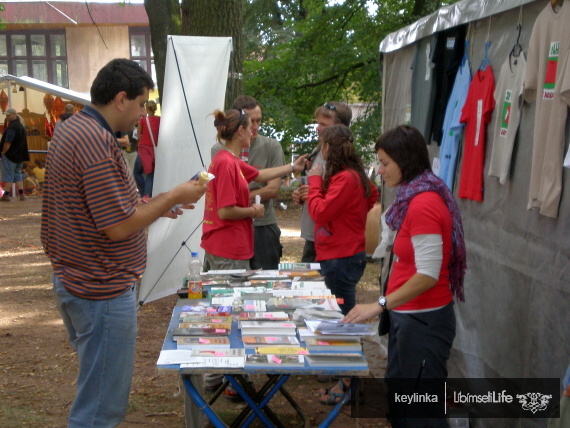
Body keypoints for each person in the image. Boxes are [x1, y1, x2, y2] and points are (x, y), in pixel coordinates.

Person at [40, 58, 207, 427]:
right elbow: (117, 226)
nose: (142, 116)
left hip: (80, 281)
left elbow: (98, 206)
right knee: (99, 408)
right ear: (120, 99)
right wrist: (173, 195)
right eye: (141, 104)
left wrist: (155, 204)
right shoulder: (95, 141)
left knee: (96, 391)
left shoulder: (74, 128)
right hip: (100, 289)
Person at [339, 125, 467, 425]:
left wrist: (379, 304)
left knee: (420, 410)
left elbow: (427, 275)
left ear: (405, 160)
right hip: (409, 317)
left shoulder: (423, 203)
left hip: (424, 322)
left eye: (384, 163)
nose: (380, 171)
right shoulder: (412, 197)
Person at [201, 108, 306, 397]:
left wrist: (292, 168)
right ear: (239, 132)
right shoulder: (225, 163)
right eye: (250, 128)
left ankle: (222, 374)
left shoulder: (230, 160)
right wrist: (254, 210)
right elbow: (225, 210)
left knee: (226, 308)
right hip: (226, 248)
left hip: (229, 246)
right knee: (224, 309)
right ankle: (215, 377)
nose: (253, 132)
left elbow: (260, 174)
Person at [306, 124, 378, 315]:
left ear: (327, 147)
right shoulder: (352, 175)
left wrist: (314, 181)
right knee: (339, 308)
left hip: (340, 257)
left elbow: (319, 213)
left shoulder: (346, 178)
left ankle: (349, 343)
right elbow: (372, 192)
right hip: (343, 255)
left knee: (340, 313)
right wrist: (354, 213)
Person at [210, 95, 286, 269]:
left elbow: (271, 187)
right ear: (239, 128)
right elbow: (224, 207)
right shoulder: (223, 155)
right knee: (234, 284)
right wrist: (244, 207)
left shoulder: (271, 146)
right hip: (233, 230)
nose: (255, 128)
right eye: (252, 122)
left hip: (263, 225)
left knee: (266, 281)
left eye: (259, 121)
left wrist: (291, 167)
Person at [291, 101, 352, 262]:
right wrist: (301, 194)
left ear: (340, 128)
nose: (318, 128)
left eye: (324, 125)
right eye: (318, 123)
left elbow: (337, 197)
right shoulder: (318, 150)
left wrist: (311, 192)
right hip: (314, 234)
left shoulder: (343, 160)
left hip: (330, 238)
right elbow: (313, 187)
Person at [1, 107, 30, 201]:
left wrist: (3, 152)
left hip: (10, 156)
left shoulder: (12, 127)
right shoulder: (21, 126)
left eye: (8, 115)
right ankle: (22, 195)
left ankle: (6, 195)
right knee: (18, 174)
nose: (7, 117)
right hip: (20, 156)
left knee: (8, 175)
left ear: (14, 115)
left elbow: (7, 142)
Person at [137, 100, 160, 200]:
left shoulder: (143, 120)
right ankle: (147, 196)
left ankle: (145, 195)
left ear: (146, 108)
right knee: (150, 174)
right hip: (154, 150)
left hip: (143, 149)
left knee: (137, 172)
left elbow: (138, 135)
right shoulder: (160, 120)